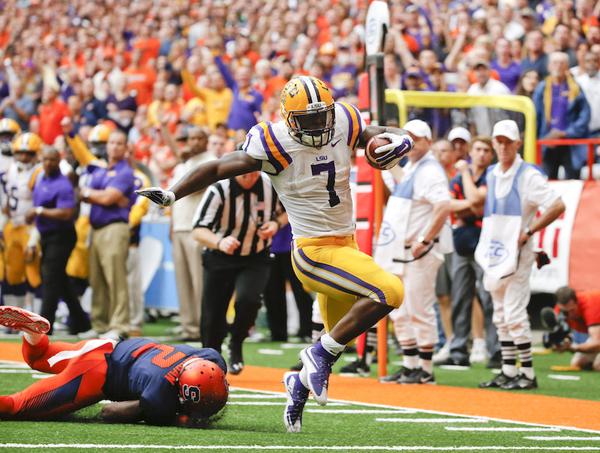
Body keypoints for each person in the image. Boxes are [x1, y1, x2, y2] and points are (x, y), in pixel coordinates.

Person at [137, 75, 413, 433]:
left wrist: (398, 137)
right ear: (288, 118)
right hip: (314, 253)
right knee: (389, 292)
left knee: (337, 335)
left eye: (321, 116)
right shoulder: (273, 141)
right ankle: (317, 356)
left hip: (347, 247)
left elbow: (373, 132)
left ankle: (298, 382)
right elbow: (220, 166)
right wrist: (173, 193)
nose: (318, 126)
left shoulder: (342, 118)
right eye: (308, 120)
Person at [0, 305, 228, 425]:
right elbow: (108, 412)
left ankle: (32, 334)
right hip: (95, 373)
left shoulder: (209, 356)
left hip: (108, 346)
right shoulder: (159, 393)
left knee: (40, 356)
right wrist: (176, 416)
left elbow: (211, 367)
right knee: (16, 407)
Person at [476, 120, 566, 390]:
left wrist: (528, 230)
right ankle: (508, 369)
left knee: (513, 313)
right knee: (500, 314)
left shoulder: (527, 175)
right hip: (496, 252)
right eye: (499, 141)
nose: (502, 146)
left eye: (507, 142)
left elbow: (557, 205)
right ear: (494, 143)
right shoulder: (492, 173)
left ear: (517, 144)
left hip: (518, 252)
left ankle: (526, 373)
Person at [375, 120, 452, 385]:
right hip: (401, 250)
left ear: (428, 141)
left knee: (419, 308)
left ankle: (426, 368)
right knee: (402, 310)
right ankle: (410, 365)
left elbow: (443, 206)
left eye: (417, 138)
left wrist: (426, 238)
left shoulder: (430, 170)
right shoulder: (415, 168)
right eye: (409, 138)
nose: (413, 143)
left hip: (418, 251)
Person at [192, 170, 285, 374]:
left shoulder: (270, 184)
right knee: (212, 313)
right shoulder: (219, 189)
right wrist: (219, 241)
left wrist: (276, 224)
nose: (250, 179)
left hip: (256, 255)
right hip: (220, 255)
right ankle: (210, 357)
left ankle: (236, 343)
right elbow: (198, 229)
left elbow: (289, 211)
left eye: (254, 174)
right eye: (244, 175)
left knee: (249, 299)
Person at [442, 136, 500, 368]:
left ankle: (495, 351)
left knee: (488, 298)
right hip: (463, 241)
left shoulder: (493, 176)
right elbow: (450, 205)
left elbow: (476, 199)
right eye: (478, 149)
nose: (482, 153)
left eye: (486, 150)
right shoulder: (456, 179)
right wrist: (473, 206)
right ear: (471, 151)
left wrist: (466, 173)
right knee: (460, 297)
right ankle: (458, 350)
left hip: (486, 242)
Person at [26, 147, 90, 335]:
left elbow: (66, 213)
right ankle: (81, 322)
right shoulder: (39, 178)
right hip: (45, 235)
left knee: (50, 278)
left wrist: (39, 211)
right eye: (45, 159)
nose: (48, 163)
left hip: (62, 235)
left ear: (58, 160)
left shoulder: (63, 184)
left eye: (52, 160)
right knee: (60, 280)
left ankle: (44, 325)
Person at [79, 130, 136, 341]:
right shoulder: (102, 170)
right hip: (96, 227)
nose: (114, 147)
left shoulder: (125, 171)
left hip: (115, 227)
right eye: (111, 143)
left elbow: (107, 198)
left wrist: (91, 194)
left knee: (115, 276)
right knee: (97, 278)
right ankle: (100, 323)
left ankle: (120, 325)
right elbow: (90, 194)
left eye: (119, 143)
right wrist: (97, 195)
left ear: (125, 147)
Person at [169, 125, 214, 342]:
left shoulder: (210, 161)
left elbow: (194, 188)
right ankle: (188, 326)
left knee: (199, 281)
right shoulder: (184, 163)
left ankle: (203, 326)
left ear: (206, 141)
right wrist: (171, 225)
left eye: (199, 138)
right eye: (191, 138)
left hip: (197, 228)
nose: (194, 142)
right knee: (183, 281)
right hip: (179, 226)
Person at [533, 52, 590, 179]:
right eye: (554, 63)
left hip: (570, 144)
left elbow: (584, 115)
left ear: (567, 67)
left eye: (562, 63)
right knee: (547, 182)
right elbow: (535, 116)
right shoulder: (542, 88)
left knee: (573, 181)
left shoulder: (575, 88)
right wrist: (540, 138)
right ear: (548, 66)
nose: (558, 66)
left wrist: (565, 133)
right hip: (548, 144)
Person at [553, 286, 600, 371]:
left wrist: (573, 347)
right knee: (577, 363)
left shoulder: (590, 304)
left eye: (572, 310)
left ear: (577, 302)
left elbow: (597, 343)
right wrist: (564, 342)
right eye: (565, 312)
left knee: (598, 365)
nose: (570, 315)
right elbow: (567, 333)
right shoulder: (559, 312)